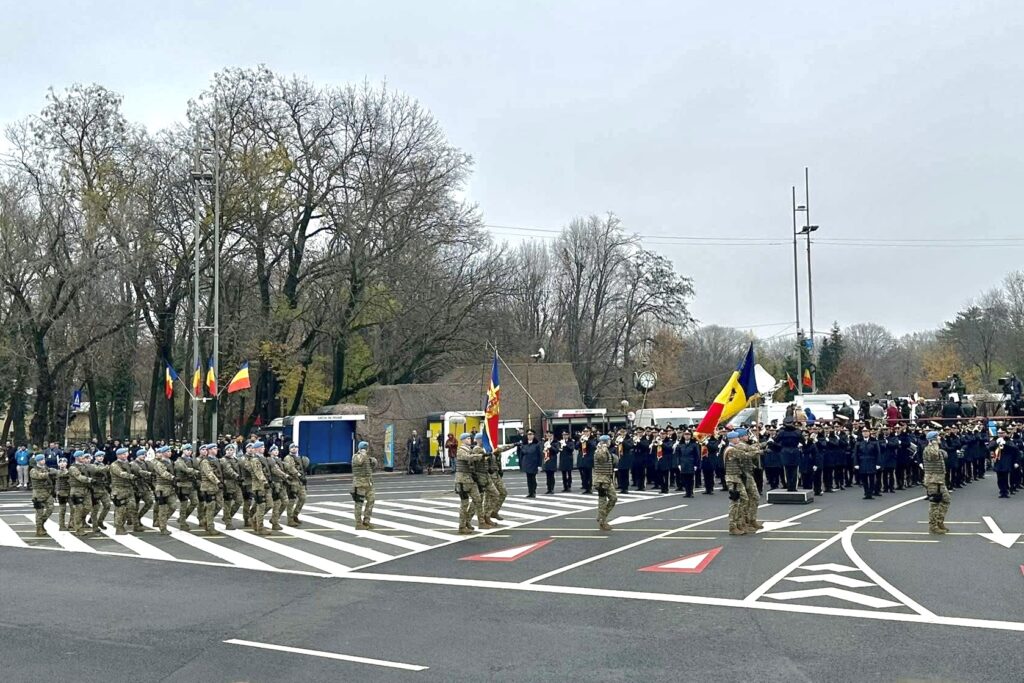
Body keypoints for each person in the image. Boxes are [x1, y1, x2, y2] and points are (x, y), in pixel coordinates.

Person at [922, 431, 950, 534]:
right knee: (935, 502)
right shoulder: (929, 449)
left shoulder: (937, 449)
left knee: (946, 499)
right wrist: (934, 444)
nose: (940, 438)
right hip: (933, 480)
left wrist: (940, 450)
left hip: (939, 480)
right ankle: (933, 525)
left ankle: (939, 521)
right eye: (937, 437)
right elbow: (933, 454)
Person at [454, 433, 483, 534]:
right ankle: (461, 526)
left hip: (470, 479)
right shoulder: (461, 450)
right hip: (462, 481)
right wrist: (480, 456)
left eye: (470, 438)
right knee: (464, 503)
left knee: (478, 499)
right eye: (467, 438)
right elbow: (468, 457)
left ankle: (467, 521)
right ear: (462, 440)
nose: (469, 440)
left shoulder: (470, 449)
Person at [723, 431, 748, 536]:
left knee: (744, 499)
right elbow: (745, 455)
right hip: (732, 478)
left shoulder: (733, 449)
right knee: (735, 502)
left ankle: (739, 522)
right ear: (732, 439)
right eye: (737, 438)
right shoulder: (731, 450)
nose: (738, 439)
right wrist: (759, 450)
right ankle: (732, 526)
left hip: (737, 477)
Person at [108, 448, 137, 535]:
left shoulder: (128, 464)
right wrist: (131, 476)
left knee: (131, 507)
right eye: (123, 454)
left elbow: (137, 469)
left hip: (129, 489)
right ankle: (119, 527)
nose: (125, 455)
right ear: (118, 455)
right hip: (119, 489)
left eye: (126, 453)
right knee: (120, 509)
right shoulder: (114, 465)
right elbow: (121, 473)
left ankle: (122, 524)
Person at [593, 434, 617, 531]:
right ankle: (602, 521)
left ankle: (601, 516)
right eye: (609, 440)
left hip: (607, 478)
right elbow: (601, 459)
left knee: (613, 498)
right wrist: (603, 449)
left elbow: (611, 460)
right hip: (601, 479)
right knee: (602, 501)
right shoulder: (599, 450)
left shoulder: (606, 450)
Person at [150, 447, 177, 536]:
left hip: (171, 487)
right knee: (163, 509)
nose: (170, 453)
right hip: (162, 488)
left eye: (170, 451)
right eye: (167, 451)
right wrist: (173, 478)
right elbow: (163, 473)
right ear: (163, 453)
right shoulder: (159, 463)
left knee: (173, 506)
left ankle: (160, 521)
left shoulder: (171, 462)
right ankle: (163, 527)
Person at [29, 454, 55, 537]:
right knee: (39, 512)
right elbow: (39, 476)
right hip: (38, 493)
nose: (43, 461)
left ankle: (41, 523)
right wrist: (48, 474)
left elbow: (54, 471)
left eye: (44, 459)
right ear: (37, 461)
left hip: (47, 492)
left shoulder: (46, 468)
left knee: (50, 508)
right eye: (41, 459)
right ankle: (39, 528)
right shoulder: (33, 470)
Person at [282, 443, 306, 526]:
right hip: (292, 482)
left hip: (300, 482)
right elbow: (290, 468)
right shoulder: (287, 458)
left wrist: (303, 477)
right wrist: (299, 475)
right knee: (291, 501)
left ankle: (295, 514)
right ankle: (290, 519)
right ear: (289, 449)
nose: (294, 449)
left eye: (296, 447)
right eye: (292, 447)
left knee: (303, 498)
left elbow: (302, 468)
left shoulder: (299, 458)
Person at [854, 427, 881, 499]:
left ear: (869, 432)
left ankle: (870, 493)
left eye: (866, 431)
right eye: (863, 431)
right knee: (864, 479)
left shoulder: (874, 442)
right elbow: (856, 454)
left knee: (872, 479)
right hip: (862, 462)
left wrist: (878, 463)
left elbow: (877, 453)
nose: (865, 433)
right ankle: (866, 493)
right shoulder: (859, 442)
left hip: (872, 461)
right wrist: (856, 463)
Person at [518, 429, 541, 498]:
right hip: (526, 463)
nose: (529, 436)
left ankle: (533, 492)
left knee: (533, 478)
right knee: (528, 479)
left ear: (533, 435)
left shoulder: (537, 444)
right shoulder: (524, 444)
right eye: (528, 434)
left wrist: (539, 465)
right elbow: (521, 455)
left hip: (534, 463)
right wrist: (521, 463)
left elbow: (539, 455)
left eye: (531, 434)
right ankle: (530, 492)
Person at [676, 430, 699, 497]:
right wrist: (678, 464)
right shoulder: (680, 445)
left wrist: (696, 464)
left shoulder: (694, 445)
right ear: (683, 436)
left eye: (688, 434)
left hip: (691, 463)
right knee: (684, 479)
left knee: (691, 479)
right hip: (683, 464)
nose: (687, 436)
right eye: (685, 434)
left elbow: (697, 455)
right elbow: (678, 455)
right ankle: (687, 492)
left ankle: (690, 492)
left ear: (691, 436)